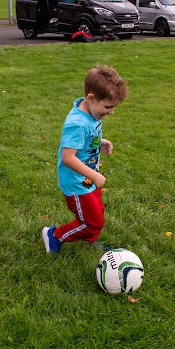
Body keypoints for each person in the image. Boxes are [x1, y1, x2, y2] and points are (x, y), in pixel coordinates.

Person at [42, 66, 128, 253]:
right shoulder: (77, 124)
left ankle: (86, 237)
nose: (111, 112)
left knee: (97, 214)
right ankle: (54, 235)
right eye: (108, 107)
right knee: (93, 222)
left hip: (87, 179)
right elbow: (67, 157)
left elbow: (86, 139)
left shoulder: (91, 112)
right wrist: (94, 175)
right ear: (91, 98)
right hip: (77, 184)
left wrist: (100, 142)